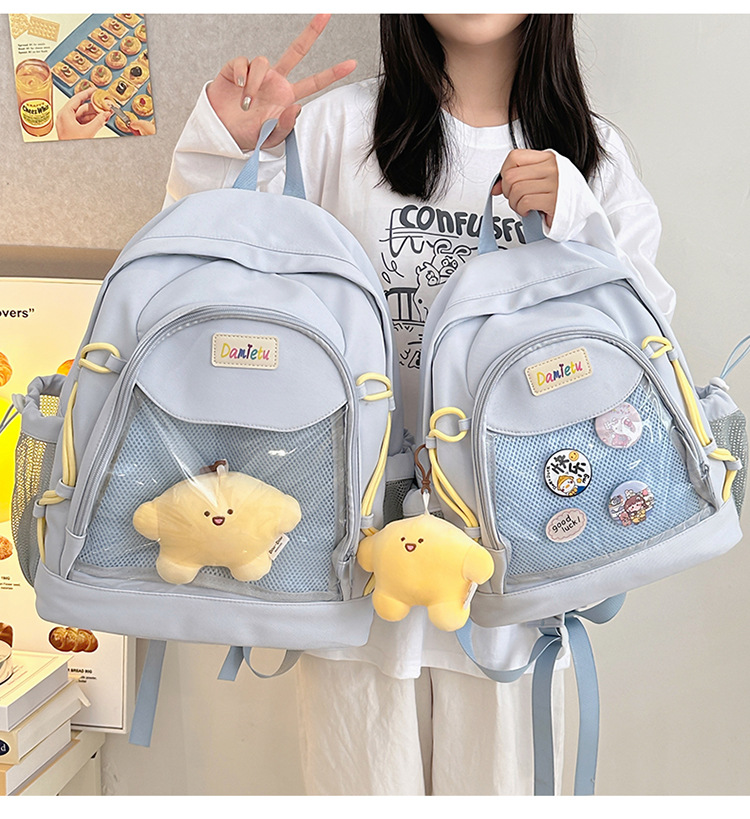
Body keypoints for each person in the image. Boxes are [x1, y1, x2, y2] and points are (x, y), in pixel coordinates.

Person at [165, 13, 676, 796]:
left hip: (519, 568)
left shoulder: (590, 156)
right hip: (353, 575)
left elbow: (644, 349)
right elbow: (199, 278)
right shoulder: (334, 130)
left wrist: (578, 219)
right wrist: (225, 151)